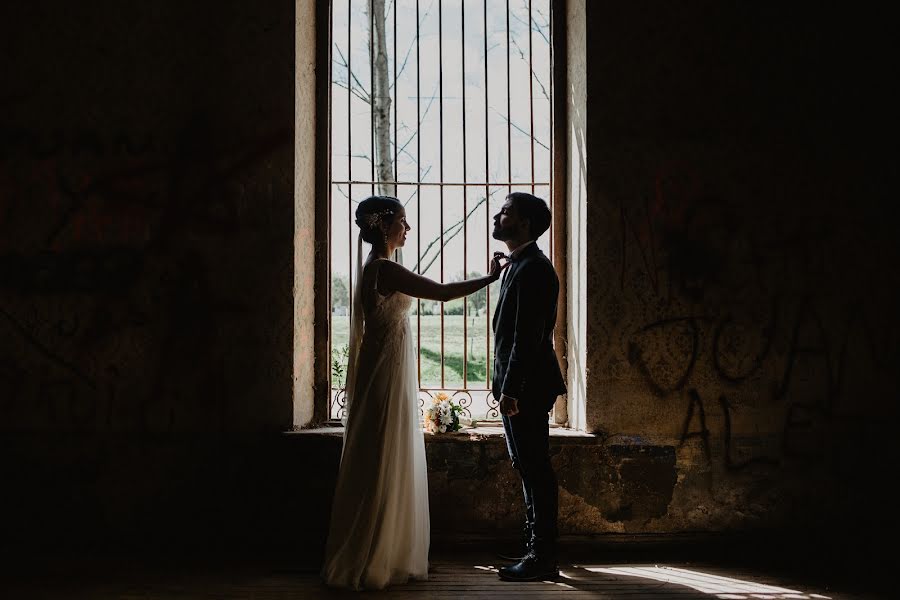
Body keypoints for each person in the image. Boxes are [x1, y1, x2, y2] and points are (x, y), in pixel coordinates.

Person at [321, 195, 508, 591]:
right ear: (385, 226)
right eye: (403, 222)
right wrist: (489, 280)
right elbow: (440, 293)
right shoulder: (385, 268)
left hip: (386, 364)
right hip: (386, 371)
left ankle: (385, 549)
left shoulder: (376, 266)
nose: (408, 229)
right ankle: (375, 554)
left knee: (383, 450)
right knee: (384, 449)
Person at [491, 192, 567, 582]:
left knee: (535, 468)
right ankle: (535, 547)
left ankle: (542, 556)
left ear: (525, 224)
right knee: (527, 465)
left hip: (528, 387)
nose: (496, 216)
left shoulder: (535, 269)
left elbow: (528, 337)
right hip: (522, 385)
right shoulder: (521, 266)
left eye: (505, 212)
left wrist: (512, 389)